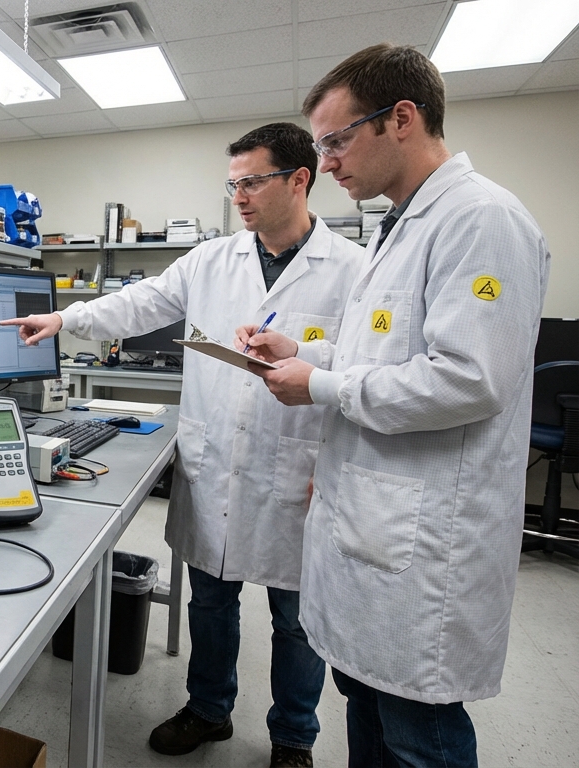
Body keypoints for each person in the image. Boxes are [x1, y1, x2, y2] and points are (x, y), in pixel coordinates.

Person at [3, 123, 365, 767]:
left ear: (299, 180)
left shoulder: (353, 269)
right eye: (233, 185)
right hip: (218, 463)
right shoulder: (210, 259)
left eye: (252, 182)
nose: (240, 197)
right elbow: (138, 305)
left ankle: (293, 737)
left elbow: (362, 368)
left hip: (302, 469)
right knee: (212, 602)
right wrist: (65, 318)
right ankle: (208, 709)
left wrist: (307, 356)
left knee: (297, 619)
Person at [237, 44, 550, 767]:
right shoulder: (398, 227)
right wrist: (306, 356)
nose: (330, 162)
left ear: (401, 119)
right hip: (372, 529)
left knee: (420, 736)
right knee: (370, 710)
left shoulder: (482, 219)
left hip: (425, 546)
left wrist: (316, 385)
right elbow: (385, 358)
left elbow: (469, 380)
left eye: (338, 139)